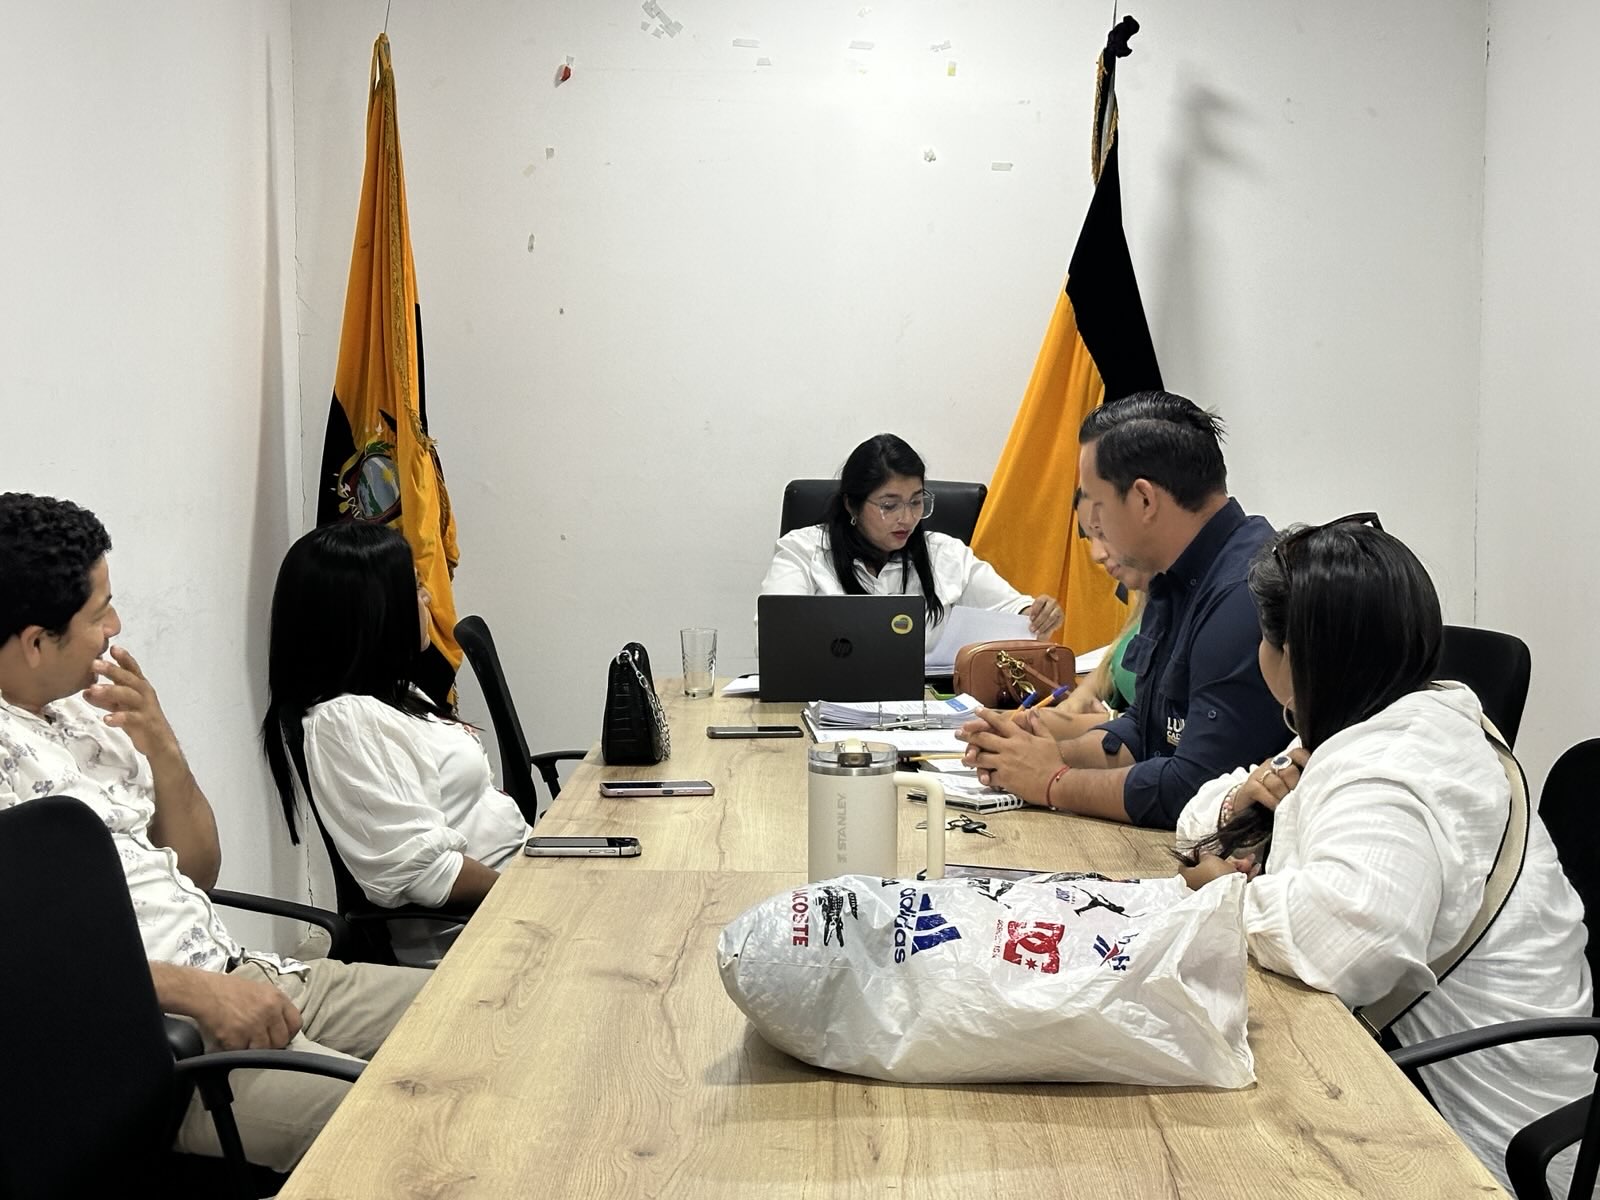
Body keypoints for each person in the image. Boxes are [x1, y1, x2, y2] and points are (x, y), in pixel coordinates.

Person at [0, 492, 428, 1172]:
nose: (115, 626)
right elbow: (33, 969)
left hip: (246, 972)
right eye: (98, 612)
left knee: (481, 1009)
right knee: (418, 1127)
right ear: (32, 643)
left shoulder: (84, 710)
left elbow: (198, 872)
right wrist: (199, 993)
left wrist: (162, 744)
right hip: (159, 1047)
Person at [1173, 517, 1593, 1198]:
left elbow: (1350, 946)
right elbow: (1196, 818)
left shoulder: (1389, 767)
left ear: (1291, 656)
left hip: (1479, 1150)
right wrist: (1242, 800)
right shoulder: (1397, 711)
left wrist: (1225, 893)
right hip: (1452, 1096)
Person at [960, 392, 1285, 827]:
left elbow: (1197, 787)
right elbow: (1145, 731)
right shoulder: (1176, 575)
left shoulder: (1243, 593)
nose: (1095, 534)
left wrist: (1052, 781)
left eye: (1097, 507)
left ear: (1144, 500)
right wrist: (1036, 751)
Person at [262, 522, 528, 967]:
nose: (428, 599)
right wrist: (534, 890)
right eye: (416, 588)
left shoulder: (396, 695)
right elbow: (429, 875)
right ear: (371, 610)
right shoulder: (347, 722)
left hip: (510, 896)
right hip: (475, 935)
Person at [758, 433, 1063, 642]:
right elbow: (774, 635)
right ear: (852, 504)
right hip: (827, 699)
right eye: (889, 506)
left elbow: (1014, 614)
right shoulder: (803, 551)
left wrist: (1039, 615)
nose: (906, 518)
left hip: (926, 705)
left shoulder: (947, 555)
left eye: (916, 502)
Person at [1054, 487, 1148, 734]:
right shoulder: (1147, 596)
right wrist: (1085, 693)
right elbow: (1116, 661)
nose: (1096, 554)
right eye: (1090, 537)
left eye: (1104, 533)